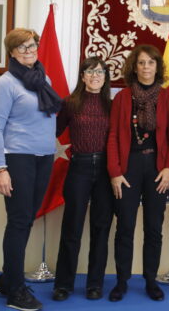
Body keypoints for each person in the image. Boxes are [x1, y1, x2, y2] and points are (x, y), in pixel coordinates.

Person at [0, 28, 62, 311]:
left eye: (32, 45)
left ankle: (7, 280)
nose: (29, 51)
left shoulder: (43, 78)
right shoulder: (5, 84)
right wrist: (0, 169)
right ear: (12, 54)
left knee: (26, 220)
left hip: (44, 157)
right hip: (17, 158)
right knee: (19, 222)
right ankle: (16, 292)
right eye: (22, 48)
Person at [106, 44, 169, 302]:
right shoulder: (123, 98)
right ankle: (122, 281)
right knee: (124, 226)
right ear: (133, 68)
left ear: (157, 66)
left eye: (150, 62)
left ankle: (150, 280)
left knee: (153, 227)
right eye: (141, 63)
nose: (146, 67)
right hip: (127, 169)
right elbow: (113, 135)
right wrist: (115, 172)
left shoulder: (168, 97)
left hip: (157, 169)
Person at [51, 57, 114, 302]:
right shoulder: (70, 103)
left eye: (100, 71)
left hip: (106, 173)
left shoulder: (112, 105)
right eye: (90, 71)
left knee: (101, 228)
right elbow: (52, 131)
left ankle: (94, 284)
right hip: (79, 168)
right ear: (83, 75)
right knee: (72, 227)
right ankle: (64, 284)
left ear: (105, 76)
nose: (95, 75)